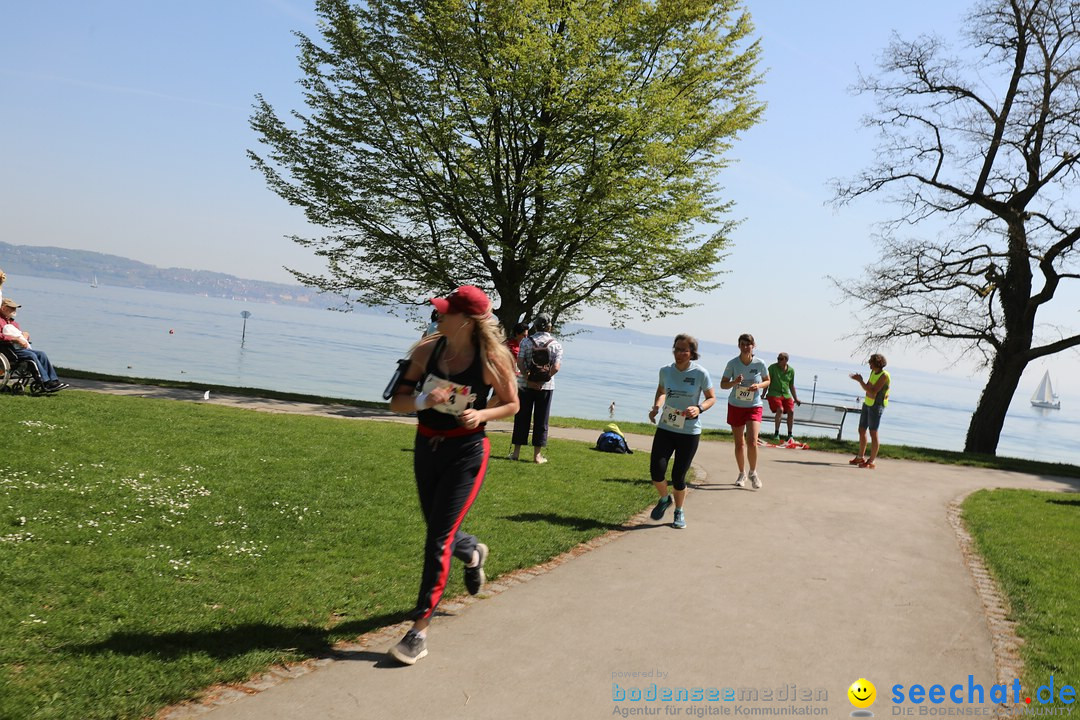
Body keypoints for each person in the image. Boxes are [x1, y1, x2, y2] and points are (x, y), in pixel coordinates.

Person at [386, 285, 519, 665]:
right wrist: (425, 401)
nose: (438, 315)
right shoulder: (426, 350)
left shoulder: (492, 359)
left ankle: (418, 633)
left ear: (467, 320)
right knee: (437, 530)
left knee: (437, 541)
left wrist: (482, 415)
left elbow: (512, 403)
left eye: (446, 311)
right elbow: (397, 401)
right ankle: (472, 551)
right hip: (426, 448)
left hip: (466, 453)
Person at [647, 334, 716, 529]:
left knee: (678, 476)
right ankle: (664, 499)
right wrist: (656, 407)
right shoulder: (666, 371)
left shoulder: (700, 373)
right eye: (676, 349)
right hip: (666, 428)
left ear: (692, 353)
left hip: (689, 432)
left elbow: (712, 397)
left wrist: (699, 408)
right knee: (656, 471)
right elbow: (661, 391)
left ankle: (679, 511)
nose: (679, 354)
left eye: (684, 350)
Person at [509, 315, 563, 464]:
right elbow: (556, 367)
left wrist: (528, 379)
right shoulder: (555, 345)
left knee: (522, 418)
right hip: (546, 387)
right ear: (549, 327)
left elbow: (520, 362)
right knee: (541, 420)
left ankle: (516, 452)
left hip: (526, 385)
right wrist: (543, 380)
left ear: (536, 326)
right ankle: (537, 456)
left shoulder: (526, 341)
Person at [720, 333, 770, 489]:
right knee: (739, 443)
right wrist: (735, 382)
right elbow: (723, 384)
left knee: (752, 441)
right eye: (742, 344)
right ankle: (741, 473)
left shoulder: (760, 363)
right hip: (735, 405)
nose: (745, 347)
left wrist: (759, 386)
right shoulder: (732, 364)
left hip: (754, 405)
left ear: (753, 346)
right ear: (739, 346)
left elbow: (767, 380)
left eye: (748, 344)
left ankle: (753, 473)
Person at [0, 298, 68, 393]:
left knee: (41, 354)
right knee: (31, 356)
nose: (14, 311)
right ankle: (45, 381)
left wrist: (25, 336)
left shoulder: (14, 323)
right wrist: (14, 339)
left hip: (19, 348)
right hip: (7, 349)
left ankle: (54, 381)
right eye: (12, 308)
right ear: (3, 308)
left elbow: (21, 337)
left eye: (15, 308)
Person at [849, 354, 890, 469]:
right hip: (867, 403)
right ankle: (860, 456)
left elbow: (873, 391)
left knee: (873, 432)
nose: (869, 364)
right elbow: (867, 387)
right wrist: (861, 381)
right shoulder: (873, 373)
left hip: (877, 406)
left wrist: (860, 381)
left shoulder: (884, 376)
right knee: (861, 430)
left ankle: (871, 461)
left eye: (871, 362)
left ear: (877, 363)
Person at [765, 352, 802, 441]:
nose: (778, 360)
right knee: (780, 409)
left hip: (786, 394)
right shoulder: (772, 368)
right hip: (774, 394)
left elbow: (791, 385)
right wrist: (763, 394)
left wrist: (796, 398)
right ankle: (776, 433)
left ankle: (790, 434)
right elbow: (767, 382)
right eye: (778, 358)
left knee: (791, 411)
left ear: (786, 360)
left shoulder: (791, 371)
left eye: (780, 359)